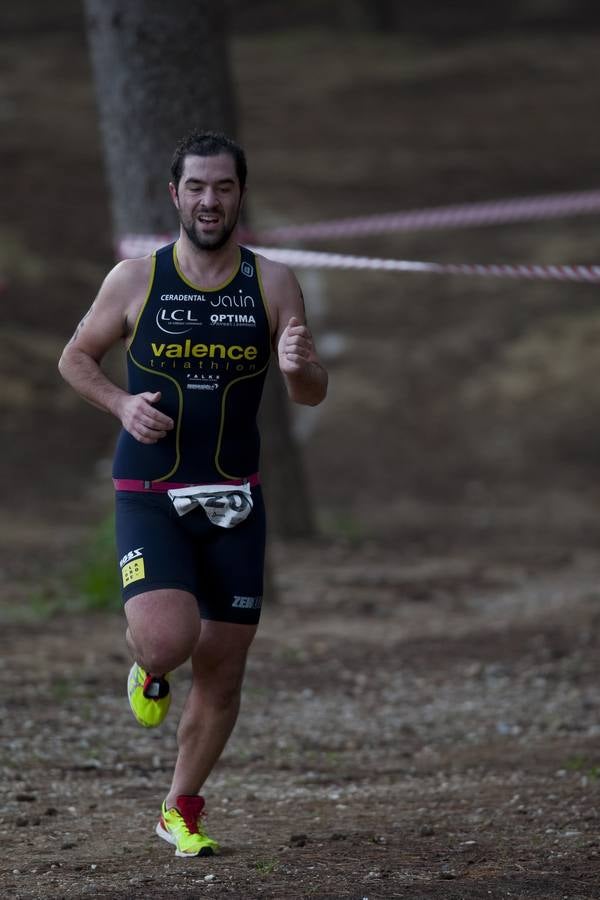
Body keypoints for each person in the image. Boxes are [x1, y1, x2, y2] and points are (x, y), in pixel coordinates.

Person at [58, 130, 328, 858]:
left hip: (236, 494)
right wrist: (120, 405)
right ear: (174, 196)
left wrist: (301, 366)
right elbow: (75, 357)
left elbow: (308, 393)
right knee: (170, 640)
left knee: (225, 665)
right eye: (197, 188)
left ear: (241, 195)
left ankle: (179, 806)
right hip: (151, 487)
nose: (211, 200)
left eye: (225, 188)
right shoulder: (134, 279)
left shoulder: (272, 283)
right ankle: (146, 667)